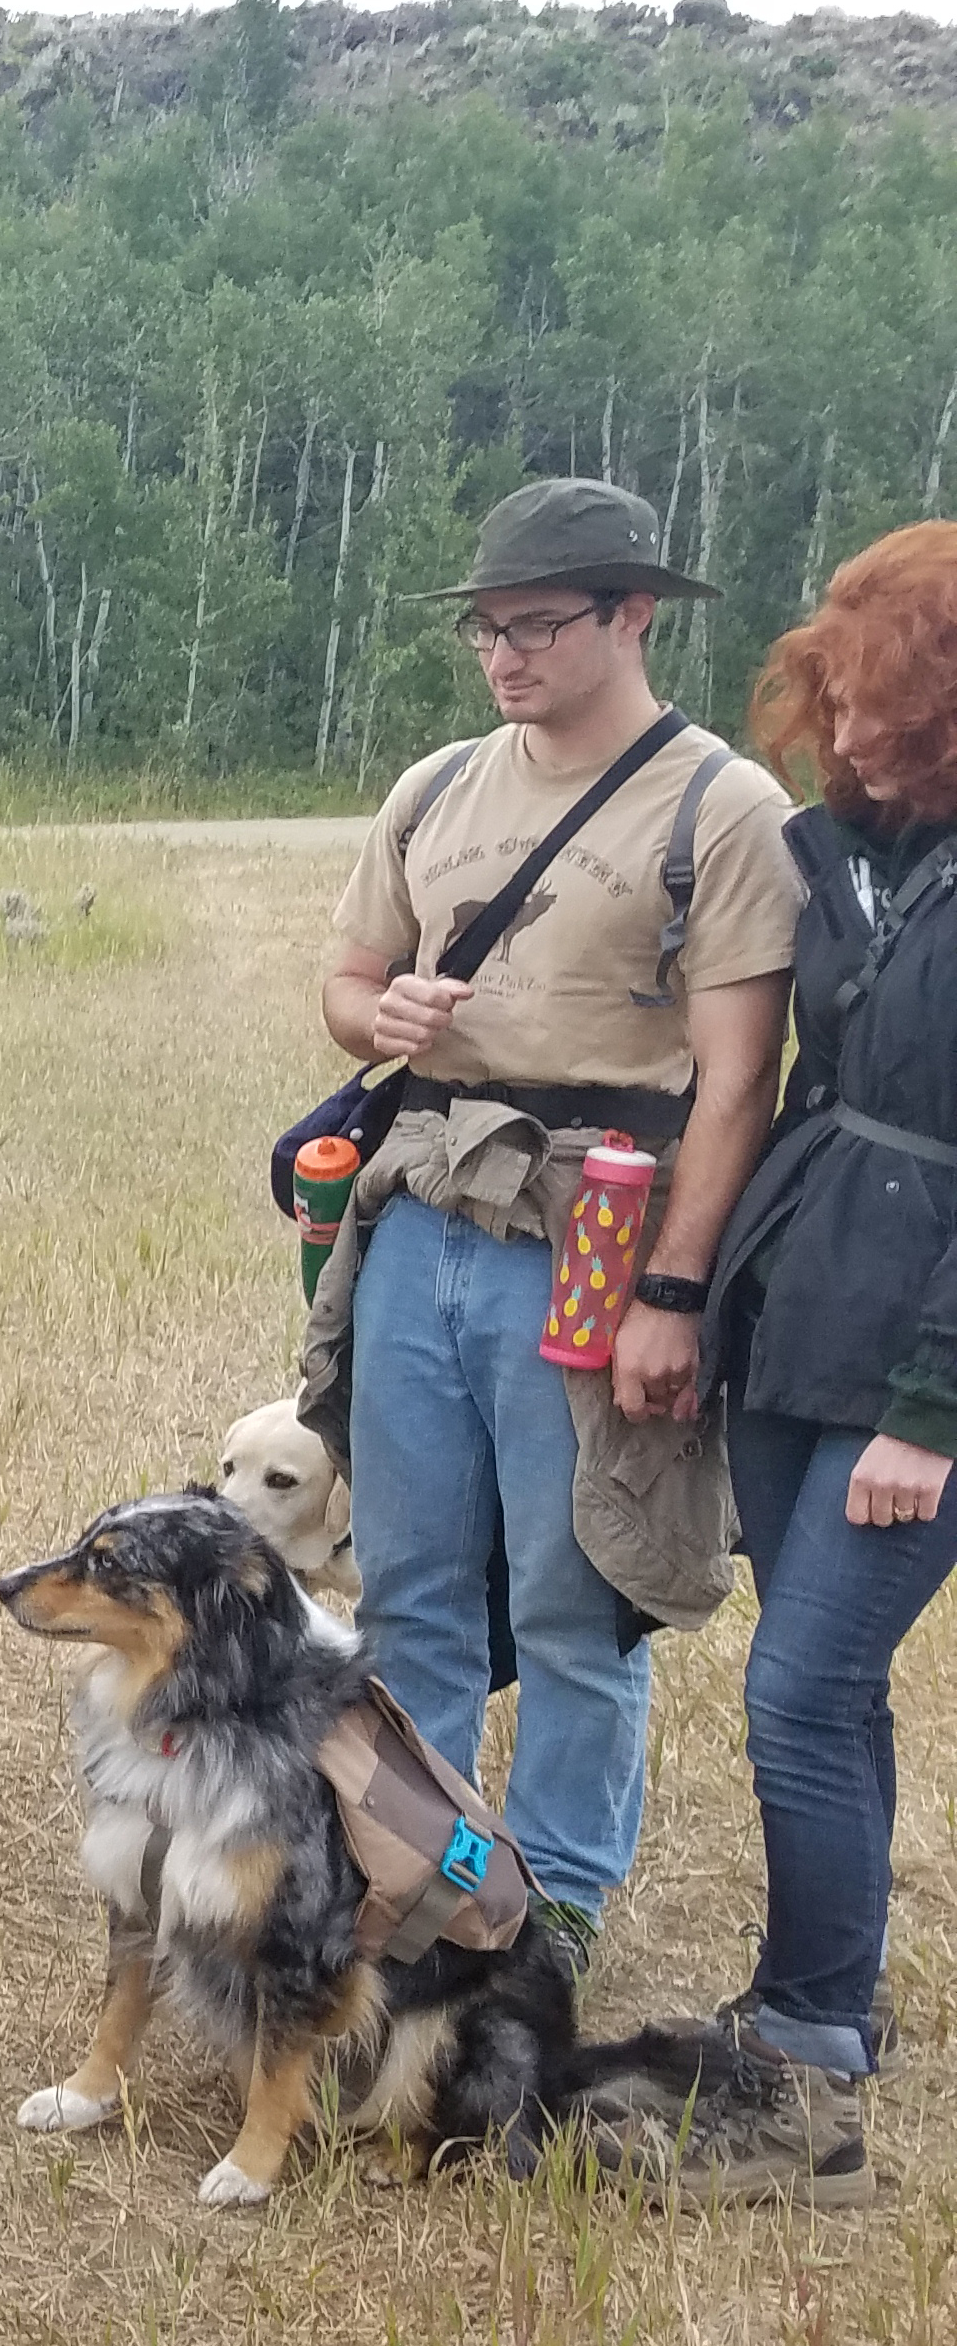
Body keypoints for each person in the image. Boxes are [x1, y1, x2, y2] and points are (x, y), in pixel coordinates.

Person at [303, 476, 800, 1969]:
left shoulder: (722, 806)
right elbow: (344, 989)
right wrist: (373, 1010)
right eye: (487, 630)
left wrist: (677, 1289)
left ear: (633, 614)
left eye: (537, 625)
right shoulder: (438, 786)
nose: (506, 655)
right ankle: (418, 1875)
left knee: (580, 1598)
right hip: (420, 1214)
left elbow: (737, 1081)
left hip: (595, 1229)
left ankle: (558, 1906)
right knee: (411, 1588)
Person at [677, 520, 957, 2202]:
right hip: (799, 1307)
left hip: (911, 1351)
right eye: (831, 703)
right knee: (821, 1680)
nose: (843, 737)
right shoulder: (864, 854)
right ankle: (835, 1989)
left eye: (883, 708)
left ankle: (801, 2056)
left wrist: (928, 1412)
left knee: (790, 1697)